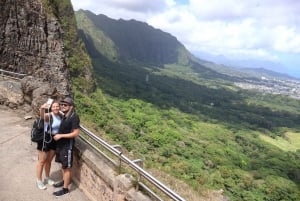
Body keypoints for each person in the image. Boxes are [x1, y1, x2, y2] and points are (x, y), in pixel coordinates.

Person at [52, 97, 80, 197]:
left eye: (65, 105)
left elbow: (76, 133)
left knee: (66, 167)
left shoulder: (74, 117)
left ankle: (65, 189)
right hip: (61, 145)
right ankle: (64, 181)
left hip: (67, 146)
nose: (63, 106)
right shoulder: (65, 115)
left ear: (71, 107)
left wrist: (61, 136)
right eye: (62, 104)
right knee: (63, 166)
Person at [36, 100, 62, 190]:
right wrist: (42, 108)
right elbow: (42, 116)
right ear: (51, 108)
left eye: (57, 106)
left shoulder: (60, 116)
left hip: (55, 139)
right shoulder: (49, 115)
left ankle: (47, 178)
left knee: (49, 161)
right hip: (45, 138)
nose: (56, 108)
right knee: (42, 161)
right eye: (54, 106)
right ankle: (39, 181)